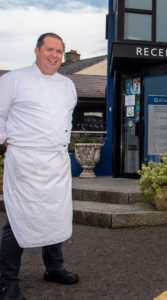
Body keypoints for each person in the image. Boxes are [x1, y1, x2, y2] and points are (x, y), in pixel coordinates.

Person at [0, 33, 79, 300]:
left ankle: (54, 268)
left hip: (55, 161)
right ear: (37, 51)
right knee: (17, 219)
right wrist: (6, 140)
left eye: (59, 50)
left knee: (53, 214)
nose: (55, 55)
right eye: (49, 49)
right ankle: (7, 280)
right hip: (25, 160)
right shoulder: (13, 80)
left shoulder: (68, 85)